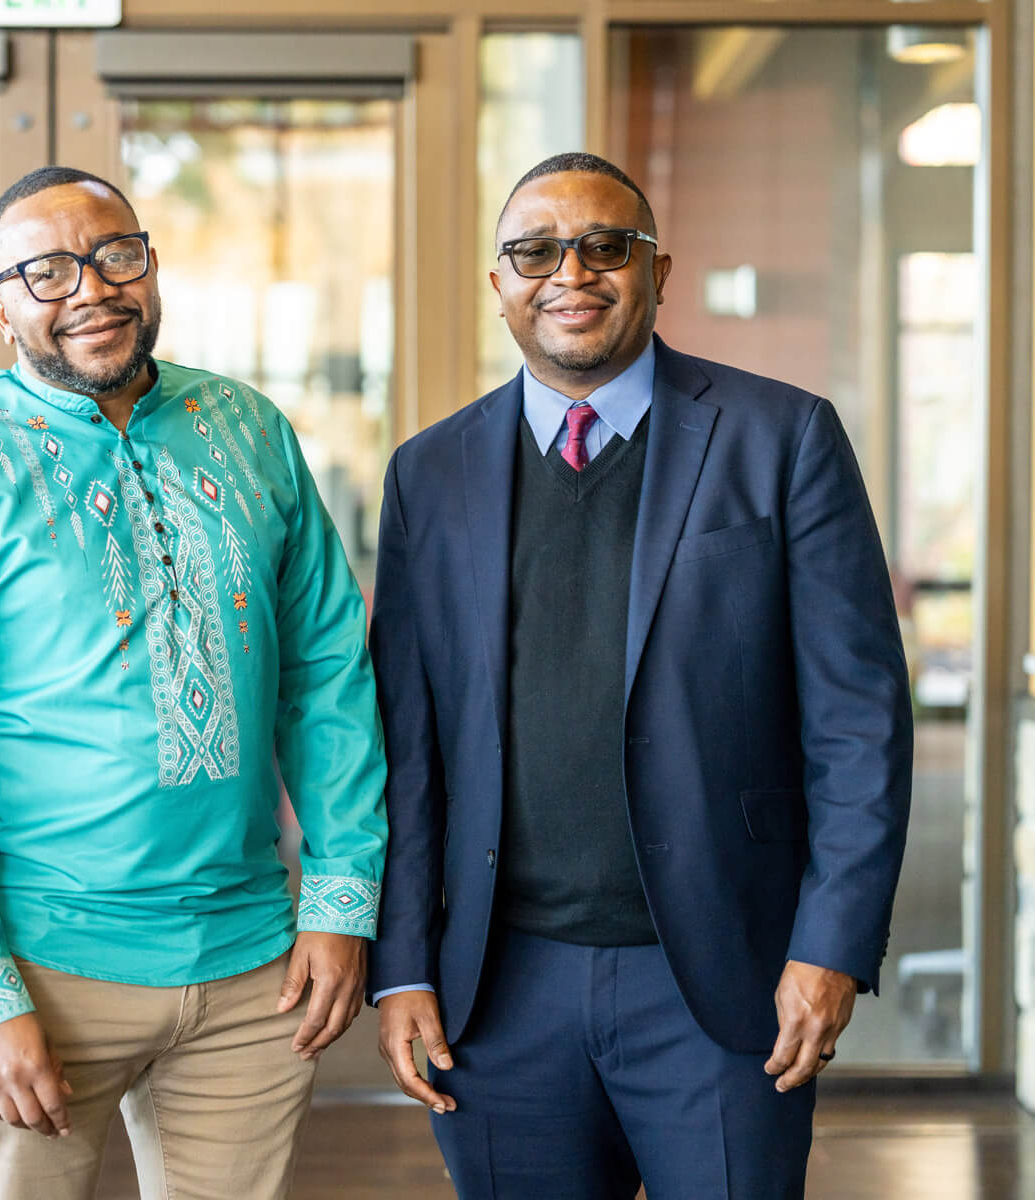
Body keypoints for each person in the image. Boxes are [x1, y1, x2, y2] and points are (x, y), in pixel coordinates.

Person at [367, 152, 912, 1199]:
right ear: (499, 284)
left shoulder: (782, 437)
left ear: (658, 271)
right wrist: (401, 965)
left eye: (605, 247)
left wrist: (833, 947)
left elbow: (860, 722)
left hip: (726, 980)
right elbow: (408, 747)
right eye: (536, 252)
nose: (571, 273)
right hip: (496, 991)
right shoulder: (429, 474)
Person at [0, 165, 386, 1200]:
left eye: (115, 256)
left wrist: (340, 899)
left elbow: (326, 674)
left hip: (253, 967)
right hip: (44, 967)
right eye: (45, 272)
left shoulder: (250, 430)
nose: (91, 289)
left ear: (151, 265)